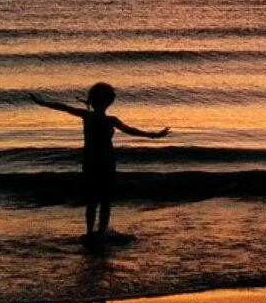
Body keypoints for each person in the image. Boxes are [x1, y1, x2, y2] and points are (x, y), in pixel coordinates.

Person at [30, 83, 169, 239]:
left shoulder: (88, 115)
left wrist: (42, 103)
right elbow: (131, 131)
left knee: (92, 199)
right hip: (106, 161)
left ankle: (90, 232)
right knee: (104, 200)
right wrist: (154, 136)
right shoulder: (109, 120)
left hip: (90, 160)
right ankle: (101, 232)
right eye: (111, 96)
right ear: (107, 101)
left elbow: (63, 107)